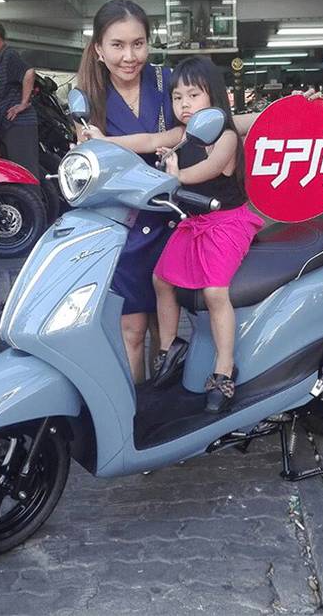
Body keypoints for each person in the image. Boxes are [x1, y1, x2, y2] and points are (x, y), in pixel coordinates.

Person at [84, 56, 264, 412]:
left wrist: (175, 175)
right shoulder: (184, 134)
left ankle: (224, 368)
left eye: (193, 95)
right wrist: (105, 141)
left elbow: (212, 167)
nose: (184, 104)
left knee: (215, 293)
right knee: (161, 279)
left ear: (214, 96)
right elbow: (149, 139)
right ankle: (169, 349)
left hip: (226, 222)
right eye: (177, 97)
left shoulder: (226, 135)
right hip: (193, 222)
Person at [76, 0, 174, 384]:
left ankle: (164, 401)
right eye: (117, 45)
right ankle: (135, 410)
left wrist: (290, 111)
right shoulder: (87, 98)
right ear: (99, 49)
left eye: (138, 44)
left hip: (173, 217)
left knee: (165, 331)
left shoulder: (168, 81)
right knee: (131, 329)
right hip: (124, 226)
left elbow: (204, 125)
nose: (130, 56)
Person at [0, 20, 40, 178]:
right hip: (8, 126)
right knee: (14, 172)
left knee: (24, 173)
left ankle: (31, 196)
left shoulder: (9, 56)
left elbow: (29, 72)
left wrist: (23, 104)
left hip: (19, 126)